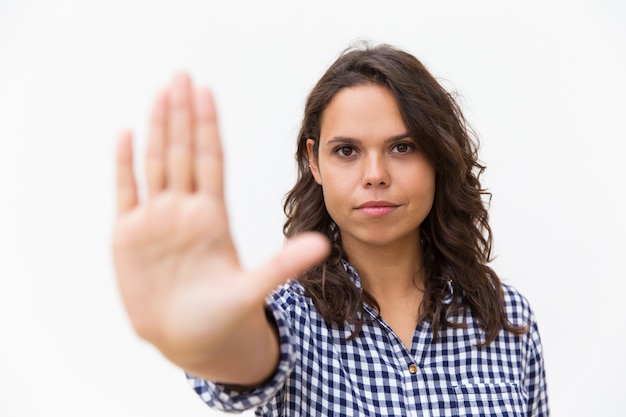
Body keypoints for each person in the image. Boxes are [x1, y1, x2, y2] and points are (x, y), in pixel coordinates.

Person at [113, 43, 549, 416]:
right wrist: (212, 341)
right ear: (314, 161)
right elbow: (247, 355)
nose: (375, 174)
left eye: (403, 147)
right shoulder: (289, 316)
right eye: (346, 150)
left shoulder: (508, 320)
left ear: (438, 156)